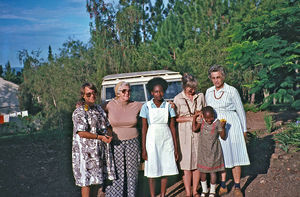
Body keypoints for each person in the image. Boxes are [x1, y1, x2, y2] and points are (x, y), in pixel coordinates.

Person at [205, 65, 250, 197]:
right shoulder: (208, 91)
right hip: (216, 125)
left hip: (232, 124)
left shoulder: (232, 91)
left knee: (236, 155)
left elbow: (240, 110)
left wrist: (244, 129)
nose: (216, 80)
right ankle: (223, 184)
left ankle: (237, 186)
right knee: (221, 156)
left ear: (223, 76)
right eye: (213, 78)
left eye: (218, 77)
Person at [72, 82, 115, 197]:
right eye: (88, 94)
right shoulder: (79, 112)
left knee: (97, 181)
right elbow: (81, 132)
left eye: (94, 93)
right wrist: (100, 137)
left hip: (99, 152)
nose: (92, 96)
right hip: (85, 154)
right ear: (83, 96)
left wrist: (109, 135)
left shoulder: (99, 109)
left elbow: (108, 125)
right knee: (86, 183)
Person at [140, 77, 179, 197]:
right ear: (152, 93)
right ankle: (153, 195)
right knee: (152, 169)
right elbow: (144, 128)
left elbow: (172, 127)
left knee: (165, 168)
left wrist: (176, 148)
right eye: (156, 92)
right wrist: (144, 149)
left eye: (161, 91)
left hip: (166, 138)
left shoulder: (168, 106)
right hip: (152, 139)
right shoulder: (146, 106)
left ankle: (163, 193)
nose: (159, 94)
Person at [104, 81, 143, 197]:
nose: (127, 93)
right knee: (116, 171)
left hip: (133, 142)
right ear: (118, 93)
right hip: (116, 143)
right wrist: (82, 105)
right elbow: (94, 109)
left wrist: (170, 105)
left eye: (129, 90)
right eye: (124, 91)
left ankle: (131, 195)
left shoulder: (137, 105)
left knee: (132, 172)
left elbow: (152, 107)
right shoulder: (109, 105)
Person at [173, 73, 206, 197]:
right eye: (190, 88)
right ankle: (188, 192)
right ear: (184, 86)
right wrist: (191, 118)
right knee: (186, 164)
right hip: (184, 134)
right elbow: (176, 118)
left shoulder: (200, 96)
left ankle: (195, 191)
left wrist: (200, 116)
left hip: (198, 132)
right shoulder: (178, 99)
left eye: (194, 88)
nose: (192, 91)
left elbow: (205, 111)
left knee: (197, 164)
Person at [192, 106, 226, 197]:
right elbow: (194, 129)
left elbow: (223, 136)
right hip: (203, 151)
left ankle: (212, 191)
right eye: (207, 118)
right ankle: (204, 190)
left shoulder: (217, 123)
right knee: (202, 172)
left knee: (213, 171)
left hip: (213, 151)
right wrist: (194, 117)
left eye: (211, 117)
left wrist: (223, 127)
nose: (209, 120)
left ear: (214, 115)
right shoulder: (202, 122)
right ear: (203, 116)